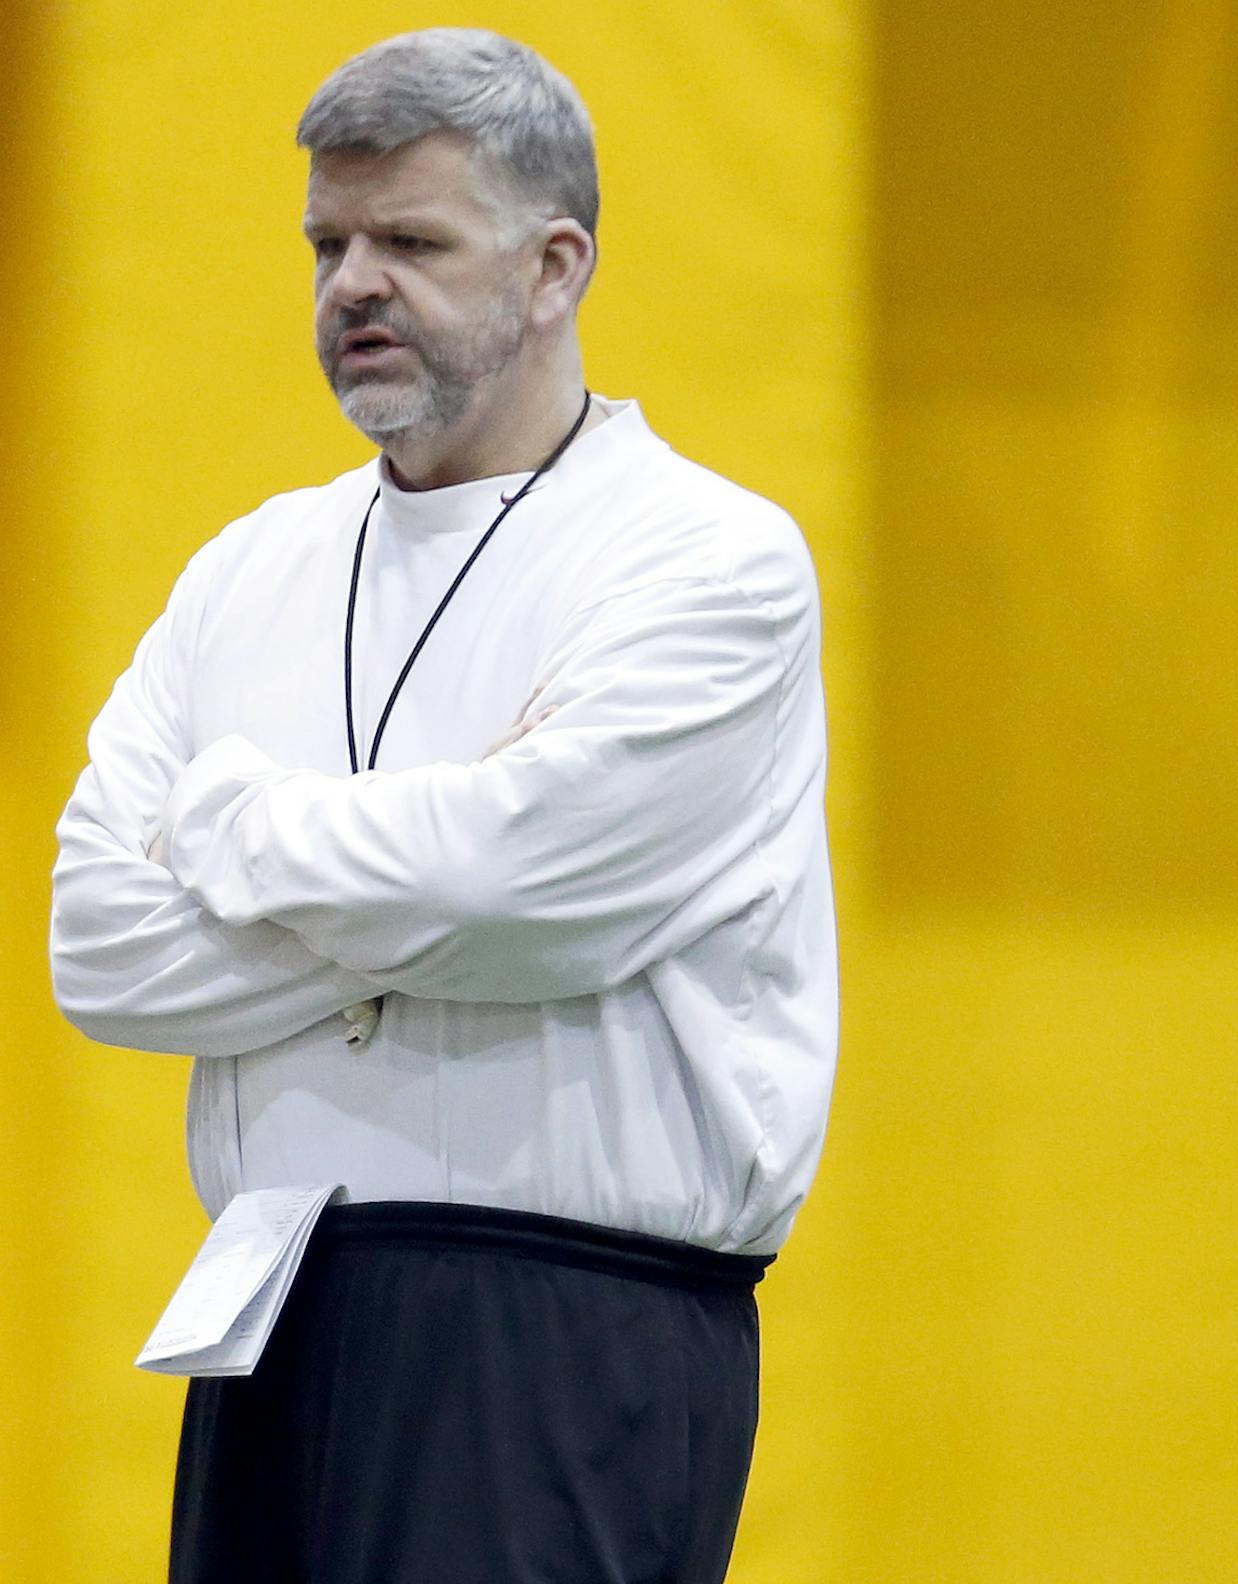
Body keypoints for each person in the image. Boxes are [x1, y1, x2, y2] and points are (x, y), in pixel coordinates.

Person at [47, 28, 837, 1583]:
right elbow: (100, 949)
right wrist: (436, 893)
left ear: (556, 266)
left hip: (559, 1323)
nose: (354, 284)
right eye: (327, 243)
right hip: (272, 1304)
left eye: (411, 240)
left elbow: (507, 892)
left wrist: (229, 823)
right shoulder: (248, 569)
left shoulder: (707, 561)